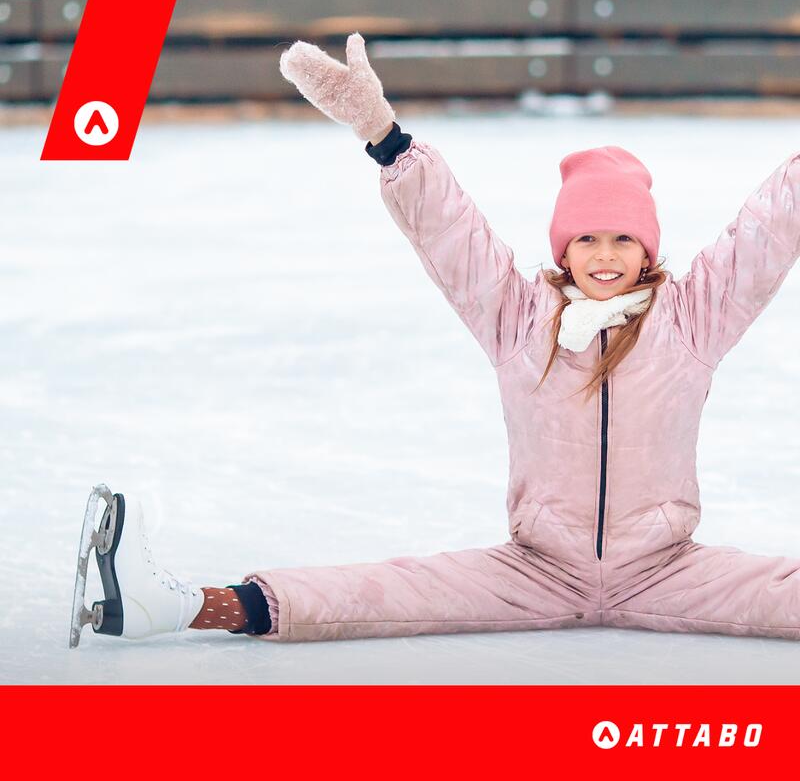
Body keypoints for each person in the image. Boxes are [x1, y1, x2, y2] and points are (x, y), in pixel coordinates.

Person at [82, 32, 800, 644]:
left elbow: (764, 235)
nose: (605, 253)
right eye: (587, 237)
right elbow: (453, 235)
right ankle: (175, 604)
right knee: (391, 592)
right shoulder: (520, 319)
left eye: (622, 237)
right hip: (535, 571)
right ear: (564, 249)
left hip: (669, 569)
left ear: (648, 250)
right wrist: (384, 137)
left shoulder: (690, 319)